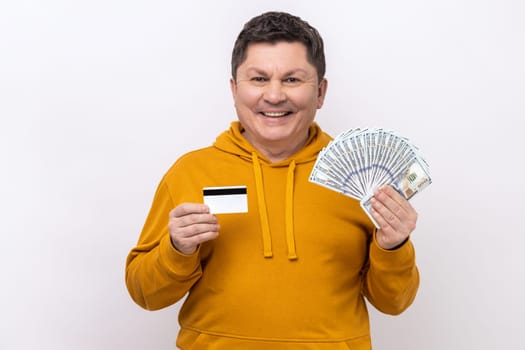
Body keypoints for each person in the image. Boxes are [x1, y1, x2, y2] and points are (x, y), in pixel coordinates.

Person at [125, 11, 419, 350]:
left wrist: (393, 247)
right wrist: (177, 249)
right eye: (259, 79)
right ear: (235, 90)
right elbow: (144, 294)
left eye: (293, 79)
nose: (275, 95)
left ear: (320, 92)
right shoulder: (189, 172)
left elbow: (394, 303)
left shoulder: (363, 179)